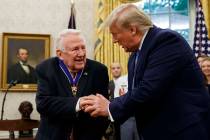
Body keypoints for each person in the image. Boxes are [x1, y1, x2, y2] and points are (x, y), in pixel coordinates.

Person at [81, 3, 210, 140]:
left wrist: (110, 107)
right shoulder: (134, 56)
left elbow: (148, 90)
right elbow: (135, 95)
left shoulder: (166, 41)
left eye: (115, 34)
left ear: (132, 30)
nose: (113, 41)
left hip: (182, 131)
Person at [35, 29, 109, 140]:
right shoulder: (46, 68)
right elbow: (43, 104)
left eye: (83, 47)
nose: (82, 53)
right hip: (52, 136)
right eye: (75, 49)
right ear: (60, 54)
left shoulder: (98, 70)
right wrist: (78, 103)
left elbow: (103, 108)